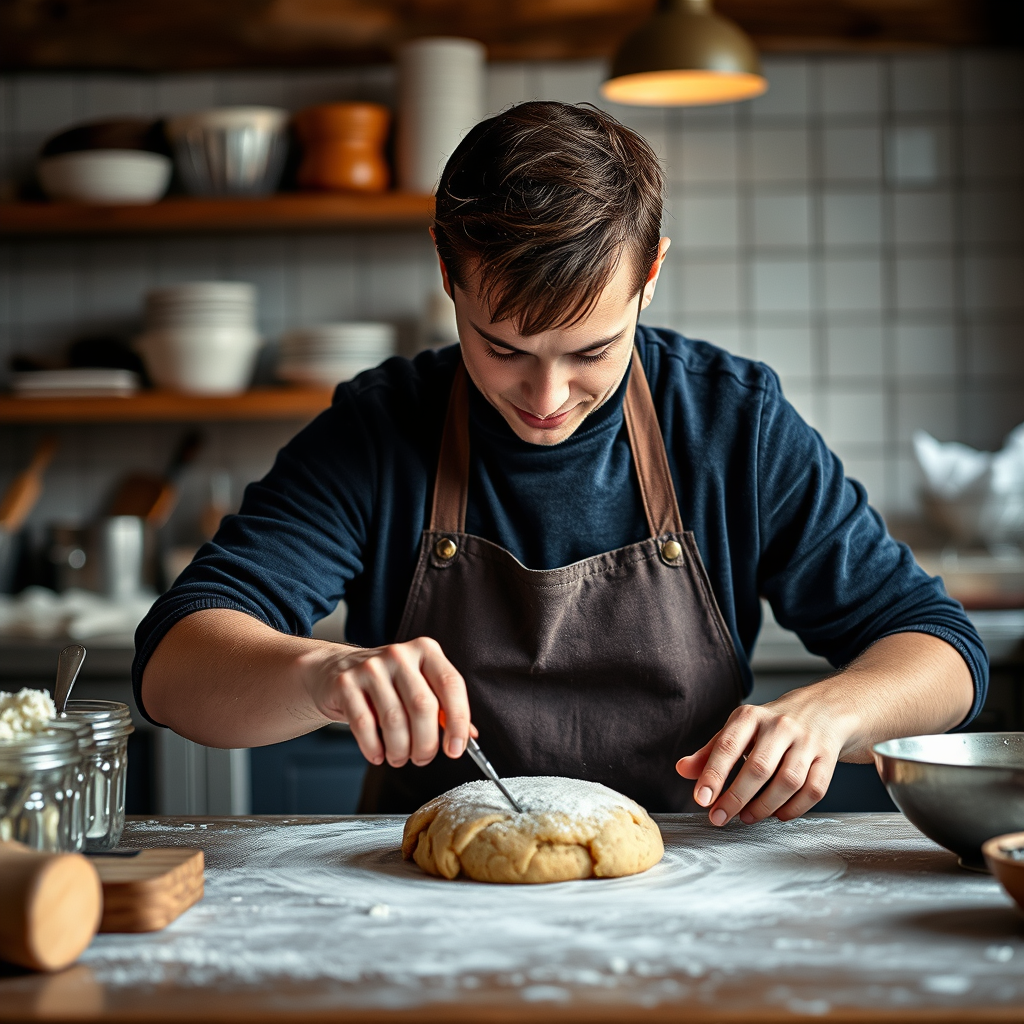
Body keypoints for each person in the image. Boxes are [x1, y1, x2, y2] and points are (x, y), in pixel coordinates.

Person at [136, 101, 987, 826]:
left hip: (688, 886)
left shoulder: (732, 422)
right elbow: (175, 664)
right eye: (502, 348)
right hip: (425, 902)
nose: (545, 395)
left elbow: (943, 653)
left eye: (592, 350)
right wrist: (321, 673)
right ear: (446, 269)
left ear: (650, 275)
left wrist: (832, 713)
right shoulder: (380, 427)